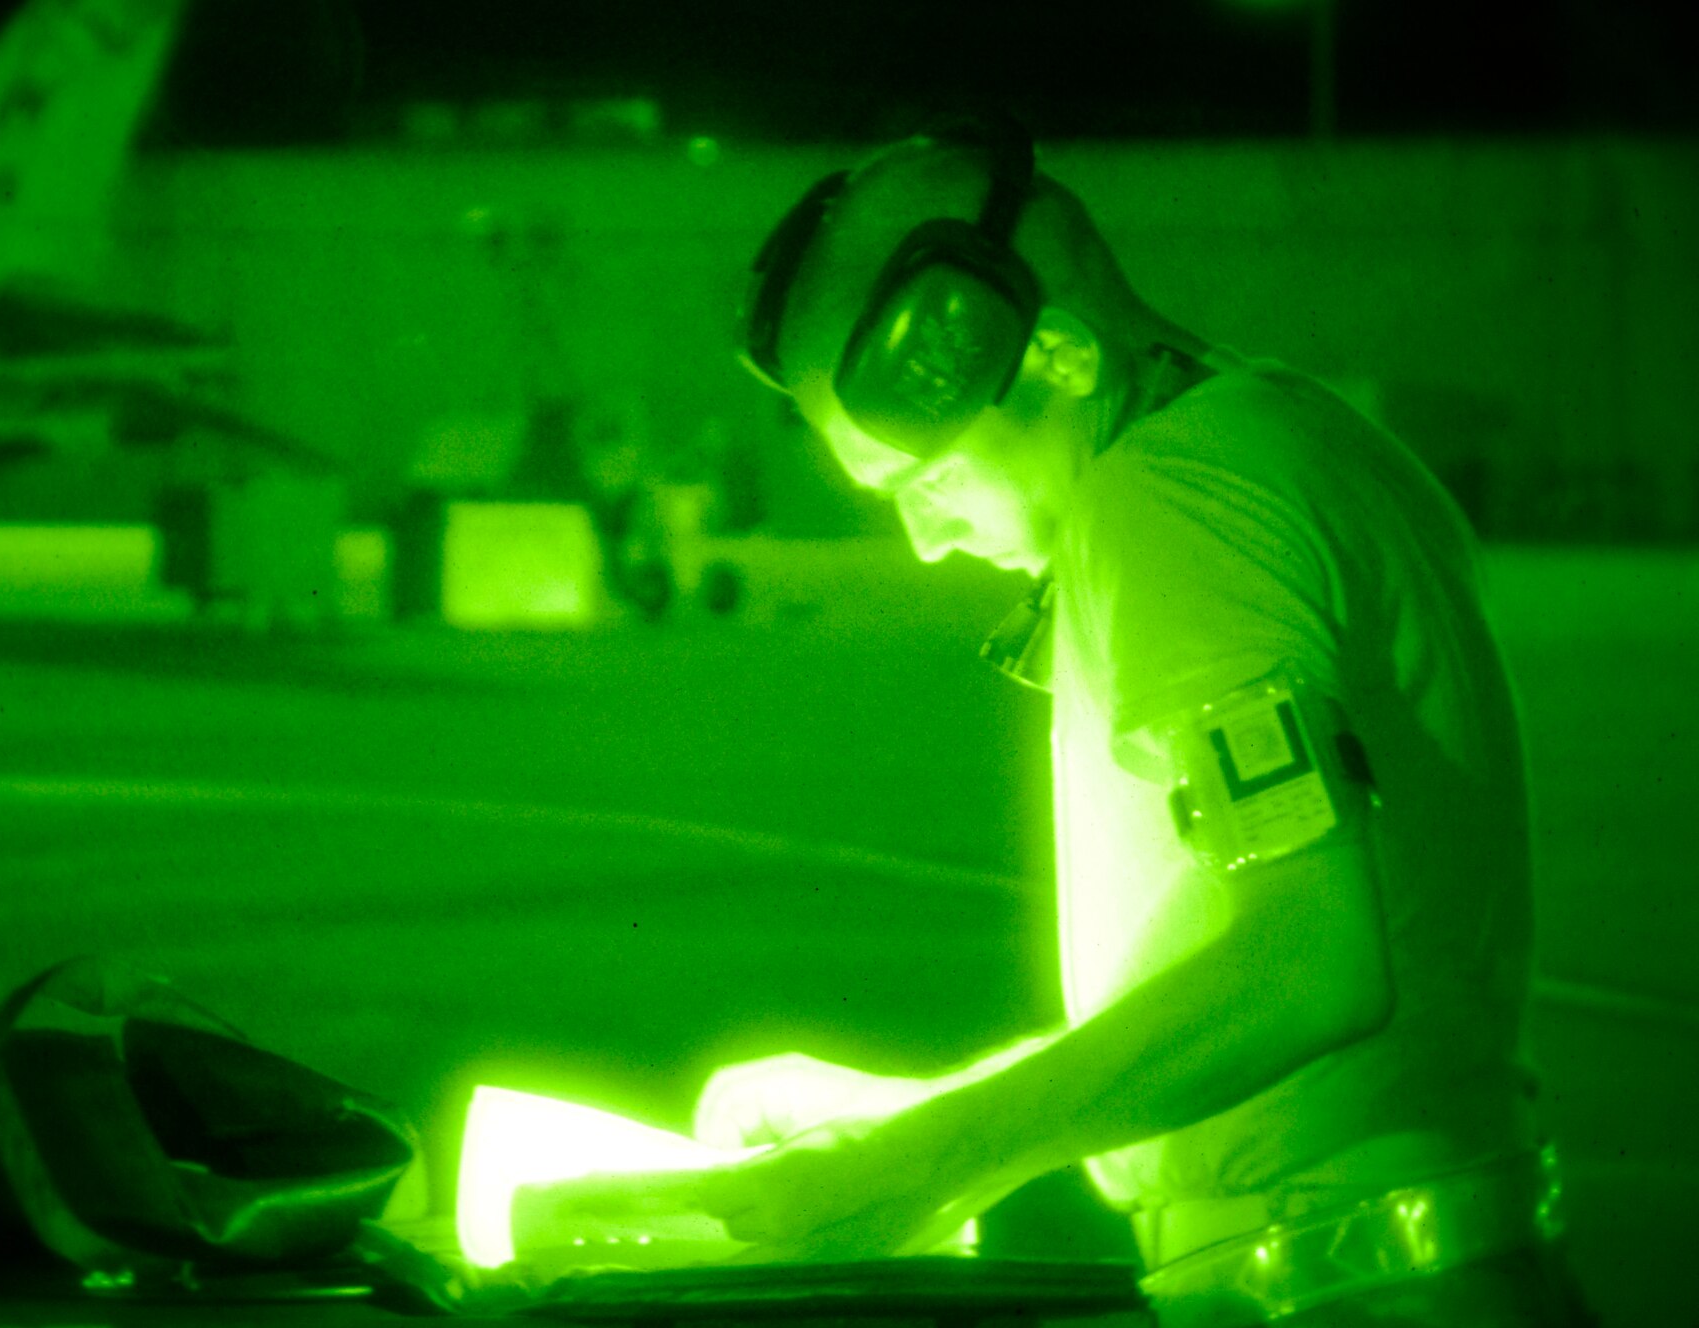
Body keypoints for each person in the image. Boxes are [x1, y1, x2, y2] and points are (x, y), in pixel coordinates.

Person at [603, 115, 1594, 1326]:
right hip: (1431, 1258)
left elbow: (1307, 963)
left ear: (1060, 357)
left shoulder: (1164, 498)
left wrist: (917, 1167)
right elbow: (1228, 977)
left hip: (1343, 1290)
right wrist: (905, 1114)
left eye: (932, 477)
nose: (925, 537)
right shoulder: (1300, 436)